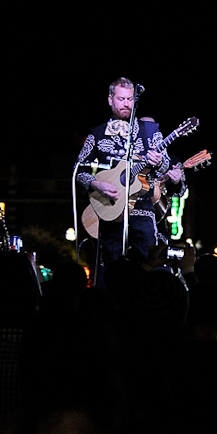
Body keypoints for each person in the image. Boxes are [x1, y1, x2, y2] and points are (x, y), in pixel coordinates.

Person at [75, 77, 177, 285]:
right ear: (110, 100)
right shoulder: (97, 134)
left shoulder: (150, 131)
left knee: (152, 262)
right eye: (121, 99)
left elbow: (167, 166)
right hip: (110, 210)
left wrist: (158, 162)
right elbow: (79, 171)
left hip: (142, 209)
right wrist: (97, 184)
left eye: (130, 99)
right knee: (108, 268)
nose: (126, 104)